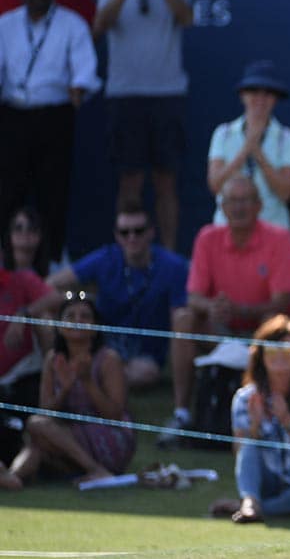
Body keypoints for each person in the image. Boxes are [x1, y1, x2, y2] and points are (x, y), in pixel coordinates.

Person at [161, 175, 290, 443]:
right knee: (184, 317)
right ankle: (181, 412)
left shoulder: (279, 238)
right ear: (222, 207)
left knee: (274, 320)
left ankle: (277, 414)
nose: (238, 208)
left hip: (262, 330)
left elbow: (283, 301)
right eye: (232, 201)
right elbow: (193, 297)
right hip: (220, 327)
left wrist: (242, 310)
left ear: (259, 206)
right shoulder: (207, 237)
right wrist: (213, 307)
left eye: (245, 201)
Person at [93, 0, 193, 251]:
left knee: (167, 181)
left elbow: (187, 17)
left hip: (166, 95)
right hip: (126, 96)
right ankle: (128, 253)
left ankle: (169, 256)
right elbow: (100, 25)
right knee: (129, 180)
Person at [0, 0, 101, 261]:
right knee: (7, 193)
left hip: (55, 116)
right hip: (13, 115)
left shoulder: (72, 24)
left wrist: (80, 86)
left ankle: (53, 260)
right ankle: (6, 260)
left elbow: (86, 67)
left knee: (53, 193)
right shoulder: (5, 24)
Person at [47, 201, 189, 389]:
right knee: (51, 307)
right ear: (117, 236)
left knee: (146, 373)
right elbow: (51, 284)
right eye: (125, 232)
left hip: (145, 355)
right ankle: (81, 372)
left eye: (138, 231)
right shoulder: (106, 257)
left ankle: (91, 377)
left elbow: (180, 314)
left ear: (151, 232)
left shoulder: (173, 265)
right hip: (102, 345)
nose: (132, 237)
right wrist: (79, 299)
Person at [209, 315, 290, 526]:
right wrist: (255, 426)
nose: (280, 357)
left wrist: (286, 419)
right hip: (265, 480)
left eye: (287, 350)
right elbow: (240, 453)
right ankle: (253, 501)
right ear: (261, 356)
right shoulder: (245, 397)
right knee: (249, 443)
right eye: (272, 350)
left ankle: (254, 506)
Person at [7, 293, 134, 489]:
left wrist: (87, 381)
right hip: (69, 435)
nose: (77, 321)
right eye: (70, 316)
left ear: (95, 327)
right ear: (59, 325)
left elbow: (115, 415)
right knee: (38, 441)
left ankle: (96, 470)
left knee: (37, 426)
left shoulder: (108, 359)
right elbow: (47, 412)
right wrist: (64, 390)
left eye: (85, 316)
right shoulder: (53, 359)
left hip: (110, 437)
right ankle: (12, 479)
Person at [207, 60, 290, 230]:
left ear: (275, 99)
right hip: (226, 229)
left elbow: (285, 192)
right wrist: (246, 149)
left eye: (268, 93)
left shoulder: (286, 138)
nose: (260, 99)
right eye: (254, 91)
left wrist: (257, 152)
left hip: (272, 229)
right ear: (243, 95)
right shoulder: (223, 134)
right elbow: (215, 184)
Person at [0, 240, 58, 475]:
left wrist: (23, 314)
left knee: (43, 318)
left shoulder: (20, 280)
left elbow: (56, 297)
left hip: (21, 380)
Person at [3, 207, 50, 277]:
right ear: (10, 235)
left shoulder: (53, 273)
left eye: (31, 228)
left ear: (40, 236)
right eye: (18, 228)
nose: (24, 232)